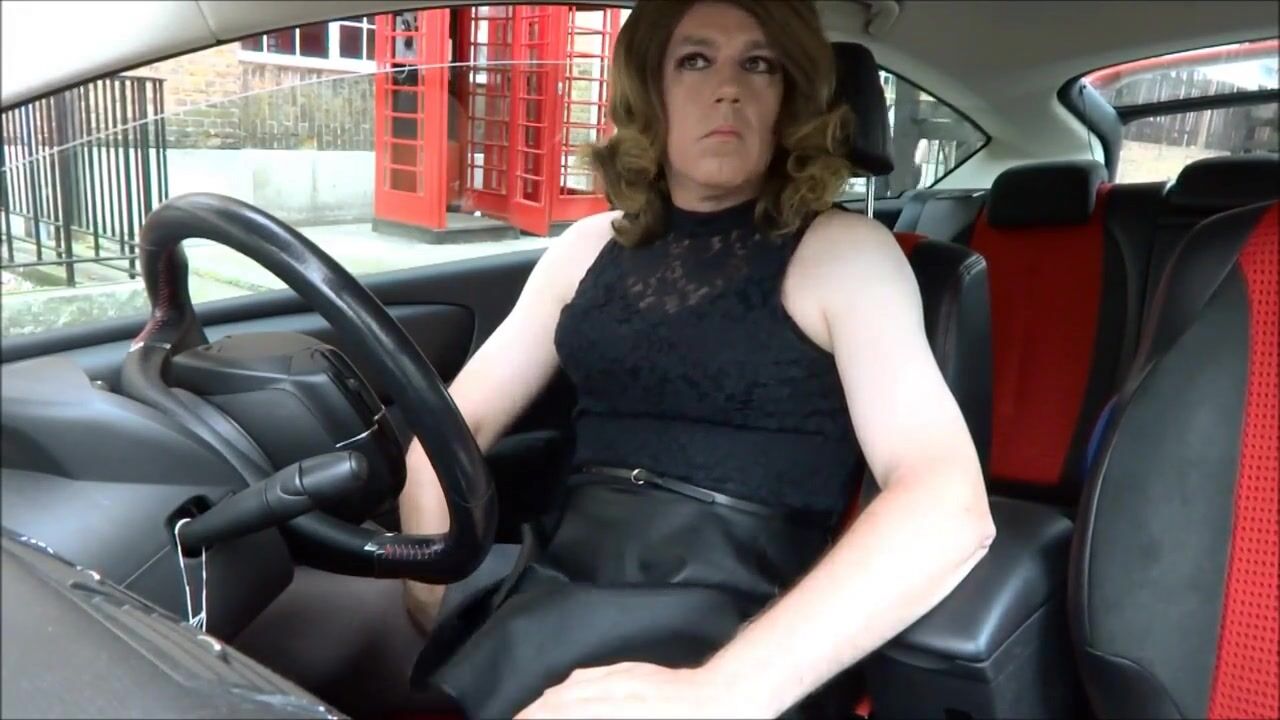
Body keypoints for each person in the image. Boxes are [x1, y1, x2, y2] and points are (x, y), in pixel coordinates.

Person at [397, 1, 995, 717]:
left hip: (737, 623)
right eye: (695, 60)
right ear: (650, 92)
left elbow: (946, 502)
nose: (728, 88)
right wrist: (433, 596)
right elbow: (449, 436)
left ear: (788, 102)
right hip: (554, 585)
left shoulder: (845, 254)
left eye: (759, 64)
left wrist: (719, 691)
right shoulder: (584, 250)